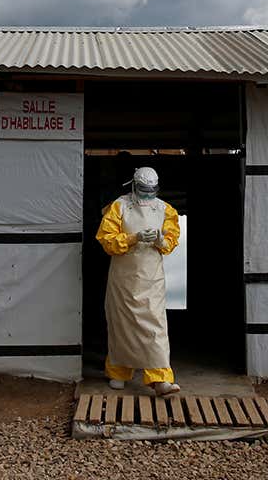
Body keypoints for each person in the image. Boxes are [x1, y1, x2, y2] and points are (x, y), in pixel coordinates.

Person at [95, 166, 182, 396]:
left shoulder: (165, 209)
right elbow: (107, 240)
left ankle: (160, 377)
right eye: (143, 190)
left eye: (151, 191)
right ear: (133, 185)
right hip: (123, 280)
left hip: (151, 279)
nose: (147, 195)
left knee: (155, 325)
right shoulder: (119, 207)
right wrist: (133, 238)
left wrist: (160, 240)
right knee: (121, 326)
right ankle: (118, 372)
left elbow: (171, 243)